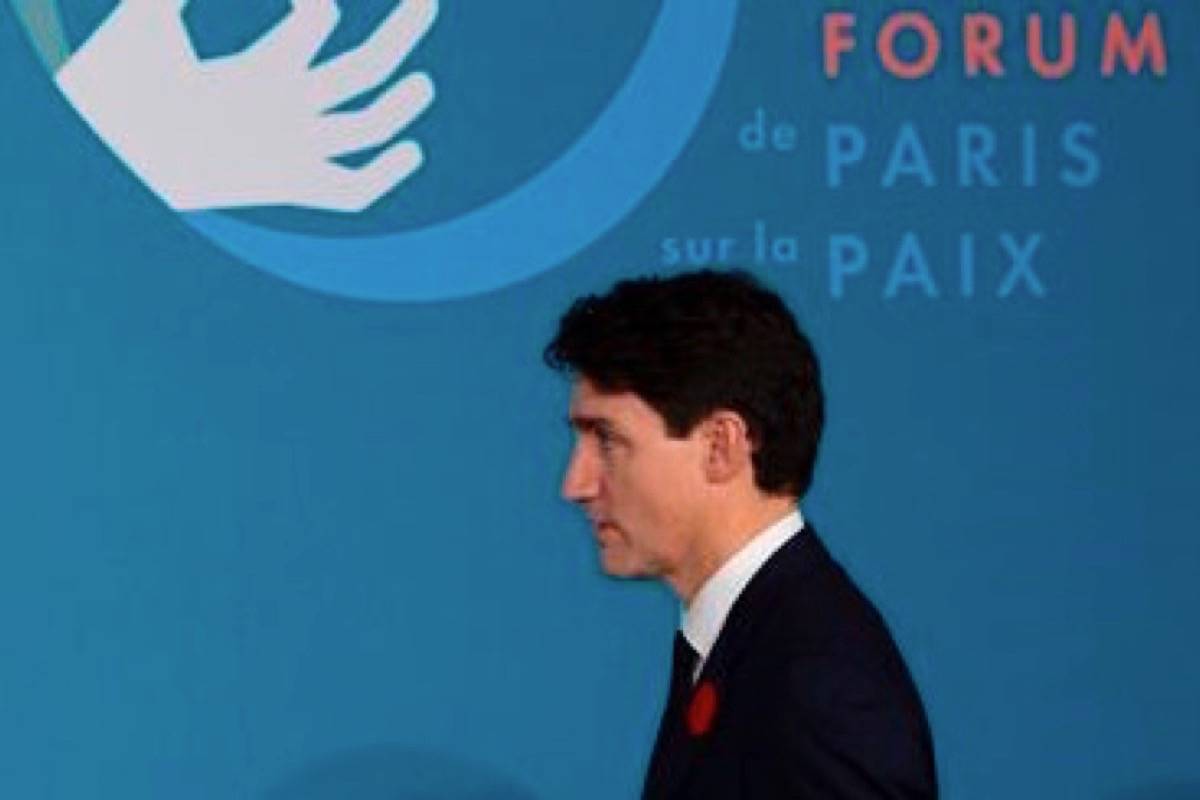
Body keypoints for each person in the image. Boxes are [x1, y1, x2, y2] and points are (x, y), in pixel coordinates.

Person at [544, 269, 937, 799]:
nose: (576, 484)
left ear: (721, 446)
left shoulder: (815, 683)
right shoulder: (750, 643)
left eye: (607, 439)